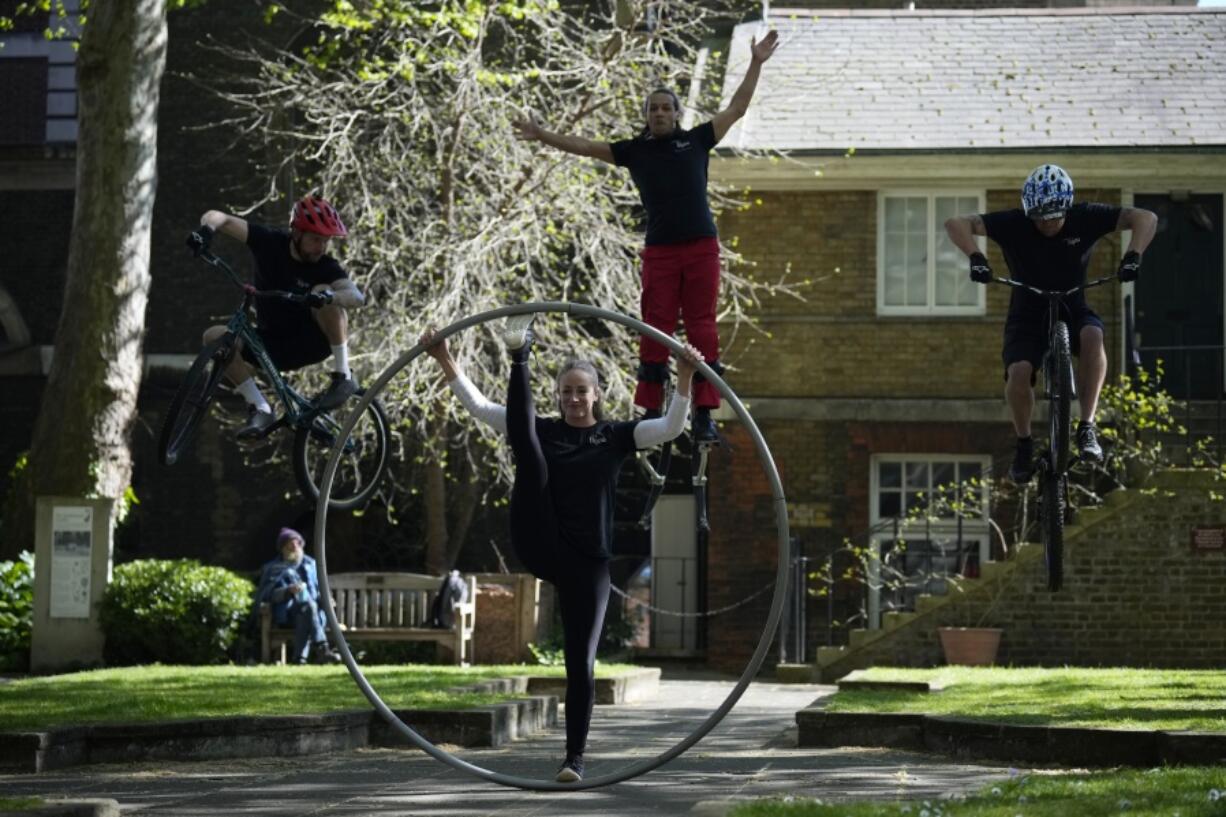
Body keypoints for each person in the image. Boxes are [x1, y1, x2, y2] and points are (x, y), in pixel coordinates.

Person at [420, 316, 701, 783]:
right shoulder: (543, 429)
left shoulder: (614, 437)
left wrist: (686, 375)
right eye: (566, 391)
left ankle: (573, 759)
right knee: (527, 444)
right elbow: (479, 406)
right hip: (540, 540)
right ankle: (519, 354)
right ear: (557, 395)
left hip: (588, 561)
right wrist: (444, 357)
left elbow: (671, 427)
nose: (573, 399)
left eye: (581, 391)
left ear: (595, 395)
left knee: (580, 663)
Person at [511, 29, 779, 443]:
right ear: (646, 115)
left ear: (676, 113)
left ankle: (705, 413)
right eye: (652, 109)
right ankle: (651, 408)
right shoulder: (634, 151)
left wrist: (756, 62)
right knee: (656, 326)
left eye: (665, 108)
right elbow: (583, 146)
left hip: (701, 246)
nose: (658, 114)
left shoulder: (697, 140)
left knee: (702, 326)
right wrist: (542, 134)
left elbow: (738, 107)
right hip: (660, 252)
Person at [945, 164, 1157, 483]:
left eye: (1054, 217)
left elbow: (1145, 217)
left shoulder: (1086, 217)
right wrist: (976, 257)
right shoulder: (1015, 223)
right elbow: (957, 223)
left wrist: (1133, 255)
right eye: (1039, 218)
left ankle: (1086, 427)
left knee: (1093, 335)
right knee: (1018, 374)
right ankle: (1024, 444)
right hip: (1027, 312)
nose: (1046, 224)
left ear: (1067, 208)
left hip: (1073, 303)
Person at [190, 195, 366, 439]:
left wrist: (327, 297)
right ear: (296, 232)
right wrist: (206, 231)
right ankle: (260, 408)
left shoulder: (326, 266)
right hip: (270, 344)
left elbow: (356, 297)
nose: (321, 247)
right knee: (215, 336)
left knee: (325, 292)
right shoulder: (269, 242)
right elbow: (220, 218)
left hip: (310, 343)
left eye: (326, 241)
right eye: (316, 239)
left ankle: (343, 375)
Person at [254, 527, 341, 665]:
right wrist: (288, 591)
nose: (295, 546)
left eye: (297, 543)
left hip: (309, 614)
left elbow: (320, 590)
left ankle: (299, 659)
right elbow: (268, 595)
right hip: (286, 614)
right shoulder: (273, 568)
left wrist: (326, 599)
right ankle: (322, 648)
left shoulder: (311, 565)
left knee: (307, 610)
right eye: (290, 543)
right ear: (283, 547)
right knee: (308, 608)